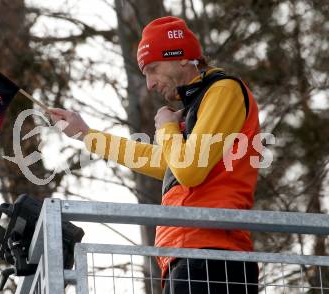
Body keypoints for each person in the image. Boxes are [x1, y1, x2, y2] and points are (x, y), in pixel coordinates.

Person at [49, 16, 260, 294]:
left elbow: (189, 170)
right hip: (185, 255)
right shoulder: (197, 103)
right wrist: (86, 135)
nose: (149, 84)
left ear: (181, 58)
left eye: (153, 69)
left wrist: (168, 127)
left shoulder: (223, 90)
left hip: (212, 254)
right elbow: (166, 165)